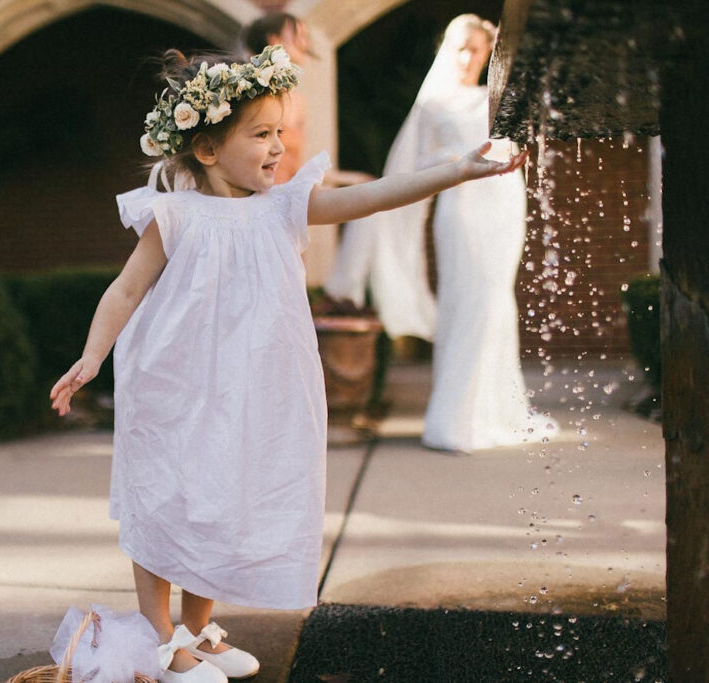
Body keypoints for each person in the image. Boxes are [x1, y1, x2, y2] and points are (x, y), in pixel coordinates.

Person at [50, 45, 527, 683]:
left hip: (253, 386)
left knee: (228, 497)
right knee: (167, 496)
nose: (279, 146)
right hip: (176, 380)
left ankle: (197, 628)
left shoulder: (283, 206)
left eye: (280, 132)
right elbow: (127, 290)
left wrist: (456, 171)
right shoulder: (176, 214)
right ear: (209, 148)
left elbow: (379, 197)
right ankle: (162, 640)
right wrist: (91, 357)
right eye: (261, 134)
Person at [326, 14, 559, 452]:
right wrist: (460, 160)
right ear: (446, 50)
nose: (469, 58)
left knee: (496, 301)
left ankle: (496, 409)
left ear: (489, 53)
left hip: (504, 200)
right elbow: (417, 164)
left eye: (477, 49)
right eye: (461, 49)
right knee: (470, 301)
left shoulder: (500, 97)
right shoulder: (434, 104)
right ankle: (457, 416)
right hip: (462, 205)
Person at [241, 12, 373, 187]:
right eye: (299, 36)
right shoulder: (254, 96)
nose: (305, 44)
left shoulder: (298, 102)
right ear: (274, 40)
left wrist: (345, 179)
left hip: (285, 197)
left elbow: (293, 167)